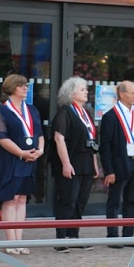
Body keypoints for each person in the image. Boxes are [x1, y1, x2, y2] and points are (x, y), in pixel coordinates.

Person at [0, 74, 45, 255]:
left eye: (26, 86)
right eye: (21, 85)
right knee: (10, 199)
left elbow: (40, 133)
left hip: (31, 158)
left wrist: (40, 150)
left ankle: (19, 241)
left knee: (22, 199)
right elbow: (1, 137)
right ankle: (10, 241)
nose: (25, 88)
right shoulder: (2, 111)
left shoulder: (32, 110)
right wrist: (21, 153)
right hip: (11, 160)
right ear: (12, 88)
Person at [100, 80, 134, 248]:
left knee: (132, 201)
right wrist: (109, 171)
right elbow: (105, 146)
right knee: (114, 200)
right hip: (119, 164)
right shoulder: (110, 116)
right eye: (132, 93)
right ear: (122, 94)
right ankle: (113, 236)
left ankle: (128, 236)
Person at [51, 76, 98, 253]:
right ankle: (60, 238)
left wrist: (94, 162)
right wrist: (65, 163)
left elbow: (91, 140)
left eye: (86, 89)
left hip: (86, 161)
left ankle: (74, 235)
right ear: (71, 93)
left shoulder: (86, 112)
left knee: (80, 200)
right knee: (68, 200)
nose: (86, 92)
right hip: (70, 161)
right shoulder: (64, 113)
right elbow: (59, 138)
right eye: (82, 89)